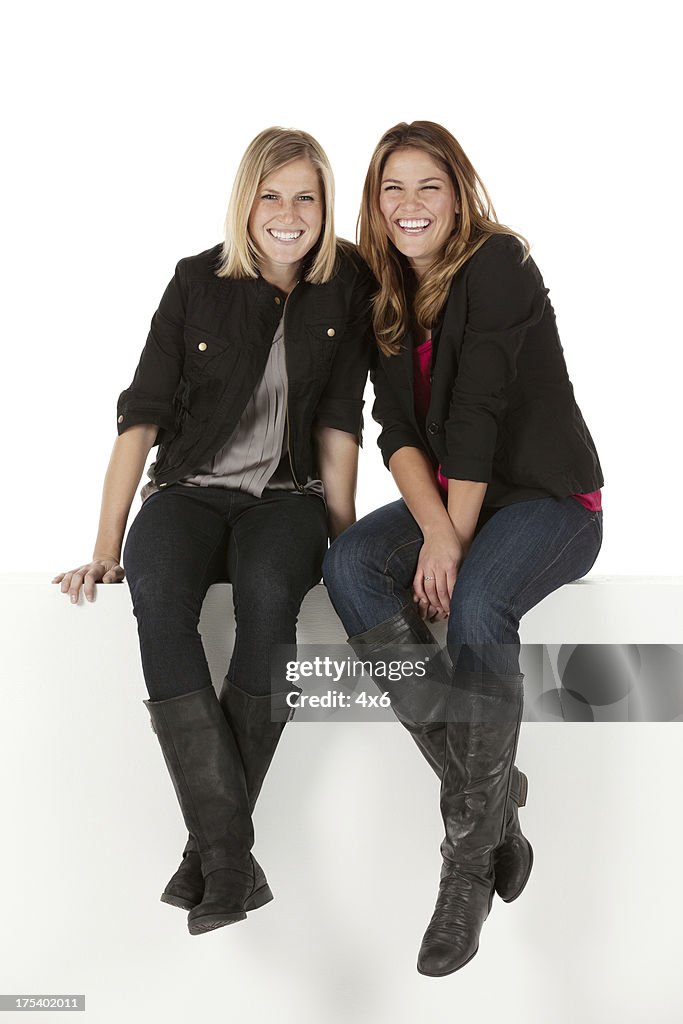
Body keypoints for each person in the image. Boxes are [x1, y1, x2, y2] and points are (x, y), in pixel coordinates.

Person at [52, 126, 373, 936]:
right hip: (188, 491)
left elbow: (339, 424)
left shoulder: (347, 285)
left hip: (287, 497)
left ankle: (214, 856)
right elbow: (142, 416)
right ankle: (230, 856)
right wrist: (103, 545)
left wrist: (345, 543)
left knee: (270, 597)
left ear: (324, 205)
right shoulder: (197, 280)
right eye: (272, 194)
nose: (288, 212)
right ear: (246, 201)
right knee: (157, 595)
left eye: (306, 195)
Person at [322, 121, 603, 976]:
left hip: (548, 499)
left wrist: (452, 543)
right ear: (375, 204)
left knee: (479, 600)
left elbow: (474, 417)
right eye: (390, 189)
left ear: (458, 192)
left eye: (427, 187)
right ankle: (493, 809)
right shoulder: (383, 292)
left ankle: (465, 868)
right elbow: (398, 431)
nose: (409, 206)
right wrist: (436, 529)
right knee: (349, 569)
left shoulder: (497, 263)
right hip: (456, 498)